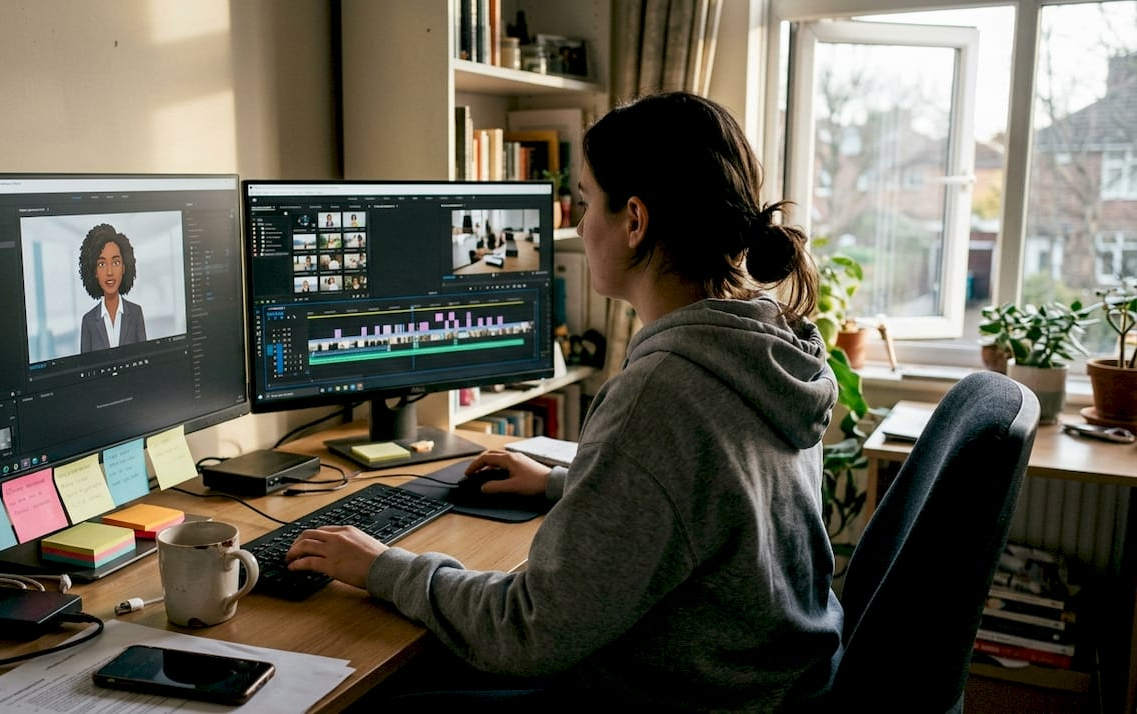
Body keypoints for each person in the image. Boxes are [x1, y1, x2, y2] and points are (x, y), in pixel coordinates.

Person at [285, 92, 842, 711]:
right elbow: (713, 497)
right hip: (772, 684)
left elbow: (527, 630)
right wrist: (562, 482)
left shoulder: (661, 391)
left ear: (635, 220)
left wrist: (381, 567)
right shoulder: (768, 346)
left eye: (585, 201)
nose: (579, 226)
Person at [79, 223, 147, 353]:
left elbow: (144, 357)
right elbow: (85, 364)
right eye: (101, 264)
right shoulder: (88, 321)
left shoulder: (136, 313)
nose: (109, 272)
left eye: (115, 263)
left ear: (124, 267)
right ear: (94, 271)